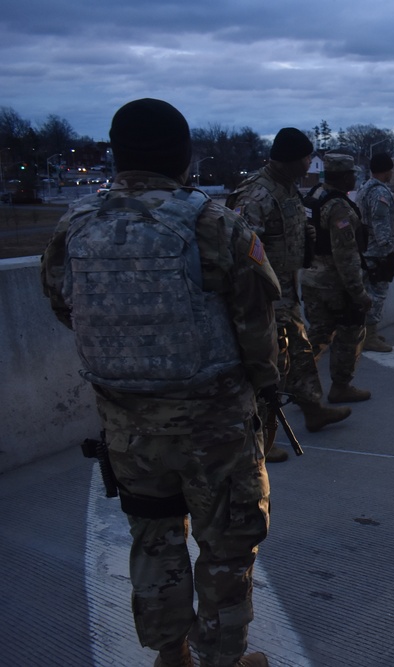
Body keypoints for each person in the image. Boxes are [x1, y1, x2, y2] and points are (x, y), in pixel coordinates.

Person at [40, 98, 275, 667]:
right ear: (185, 158)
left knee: (153, 540)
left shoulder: (75, 225)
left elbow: (64, 304)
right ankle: (221, 657)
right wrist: (266, 391)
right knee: (225, 547)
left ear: (117, 156)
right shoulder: (213, 222)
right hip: (212, 427)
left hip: (127, 426)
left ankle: (171, 656)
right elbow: (256, 325)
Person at [228, 128, 350, 459]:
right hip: (264, 291)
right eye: (308, 157)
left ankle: (313, 409)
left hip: (286, 285)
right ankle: (261, 440)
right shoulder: (257, 195)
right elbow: (242, 248)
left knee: (299, 350)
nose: (311, 163)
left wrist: (305, 236)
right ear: (294, 159)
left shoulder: (288, 189)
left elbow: (291, 226)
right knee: (273, 362)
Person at [300, 152, 373, 403]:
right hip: (335, 284)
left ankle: (301, 389)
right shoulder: (339, 206)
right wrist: (358, 292)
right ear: (343, 177)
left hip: (311, 279)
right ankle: (341, 386)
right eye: (352, 174)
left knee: (317, 335)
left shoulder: (314, 196)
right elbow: (345, 255)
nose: (354, 179)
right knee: (349, 333)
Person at [356, 152, 394, 352]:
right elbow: (380, 221)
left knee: (366, 293)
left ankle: (366, 332)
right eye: (391, 169)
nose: (392, 173)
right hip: (376, 253)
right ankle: (370, 337)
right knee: (376, 295)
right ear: (386, 170)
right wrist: (387, 249)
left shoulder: (364, 189)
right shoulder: (380, 193)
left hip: (365, 250)